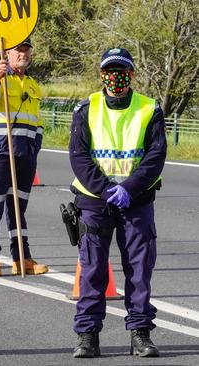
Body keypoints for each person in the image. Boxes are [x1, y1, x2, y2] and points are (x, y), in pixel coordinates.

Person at [69, 48, 167, 358]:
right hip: (95, 201)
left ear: (132, 74)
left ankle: (140, 332)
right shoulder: (86, 109)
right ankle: (87, 335)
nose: (116, 77)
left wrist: (129, 188)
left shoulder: (150, 109)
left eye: (122, 71)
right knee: (93, 269)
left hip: (136, 200)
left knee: (139, 269)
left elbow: (155, 156)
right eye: (110, 71)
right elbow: (79, 157)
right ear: (102, 75)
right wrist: (106, 189)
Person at [0, 39, 49, 277]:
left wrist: (35, 147)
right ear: (7, 53)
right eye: (19, 49)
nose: (23, 53)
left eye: (27, 49)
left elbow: (38, 121)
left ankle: (22, 258)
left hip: (26, 155)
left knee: (18, 209)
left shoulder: (32, 84)